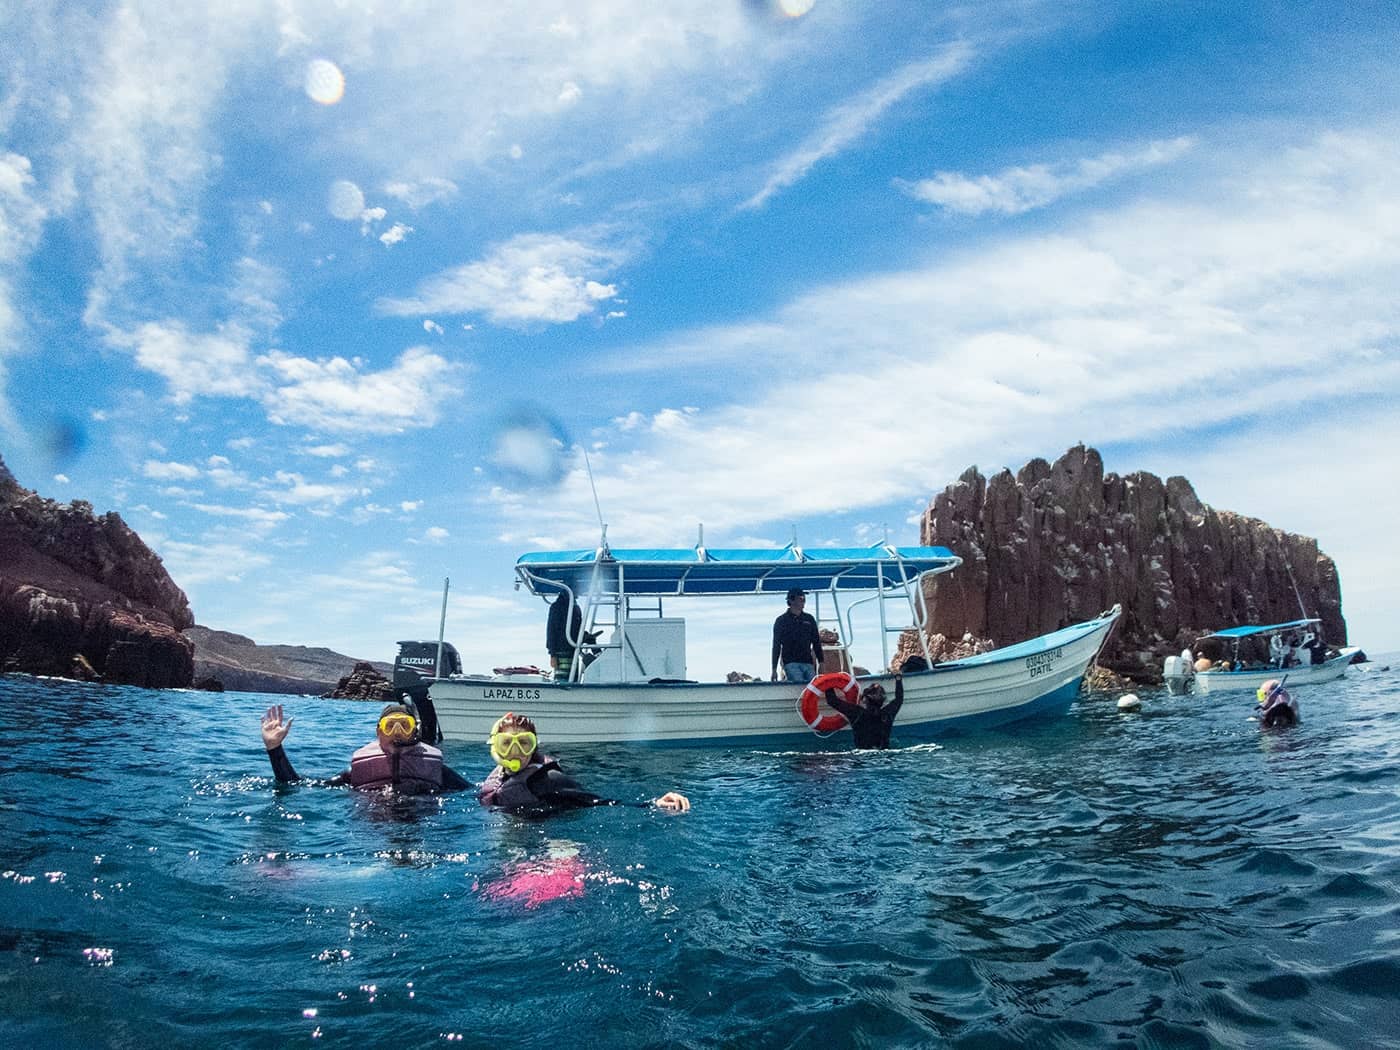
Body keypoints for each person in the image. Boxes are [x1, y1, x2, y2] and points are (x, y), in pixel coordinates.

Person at [477, 712, 690, 816]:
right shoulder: (499, 778)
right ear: (495, 747)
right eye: (507, 744)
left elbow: (599, 802)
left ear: (534, 747)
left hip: (551, 835)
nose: (516, 753)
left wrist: (655, 804)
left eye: (524, 743)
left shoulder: (550, 780)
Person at [260, 702, 471, 793]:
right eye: (390, 726)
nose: (397, 731)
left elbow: (481, 795)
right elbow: (295, 786)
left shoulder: (437, 771)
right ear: (378, 733)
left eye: (404, 725)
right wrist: (274, 748)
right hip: (372, 836)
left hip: (426, 832)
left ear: (415, 732)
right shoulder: (357, 773)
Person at [823, 673, 905, 749]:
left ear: (865, 699)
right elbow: (899, 699)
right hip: (884, 755)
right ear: (883, 700)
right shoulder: (888, 713)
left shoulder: (856, 712)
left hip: (862, 756)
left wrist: (827, 681)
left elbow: (832, 700)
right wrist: (898, 679)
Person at [771, 587, 823, 683]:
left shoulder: (809, 619)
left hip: (808, 662)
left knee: (814, 688)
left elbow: (816, 642)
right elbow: (776, 645)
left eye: (804, 598)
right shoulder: (781, 621)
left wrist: (821, 663)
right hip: (791, 663)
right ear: (791, 600)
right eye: (801, 598)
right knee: (799, 688)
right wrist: (774, 669)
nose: (804, 601)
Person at [546, 591, 583, 681]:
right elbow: (551, 631)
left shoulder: (576, 608)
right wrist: (553, 654)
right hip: (561, 652)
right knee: (563, 683)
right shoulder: (556, 607)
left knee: (572, 681)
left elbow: (578, 630)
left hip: (573, 651)